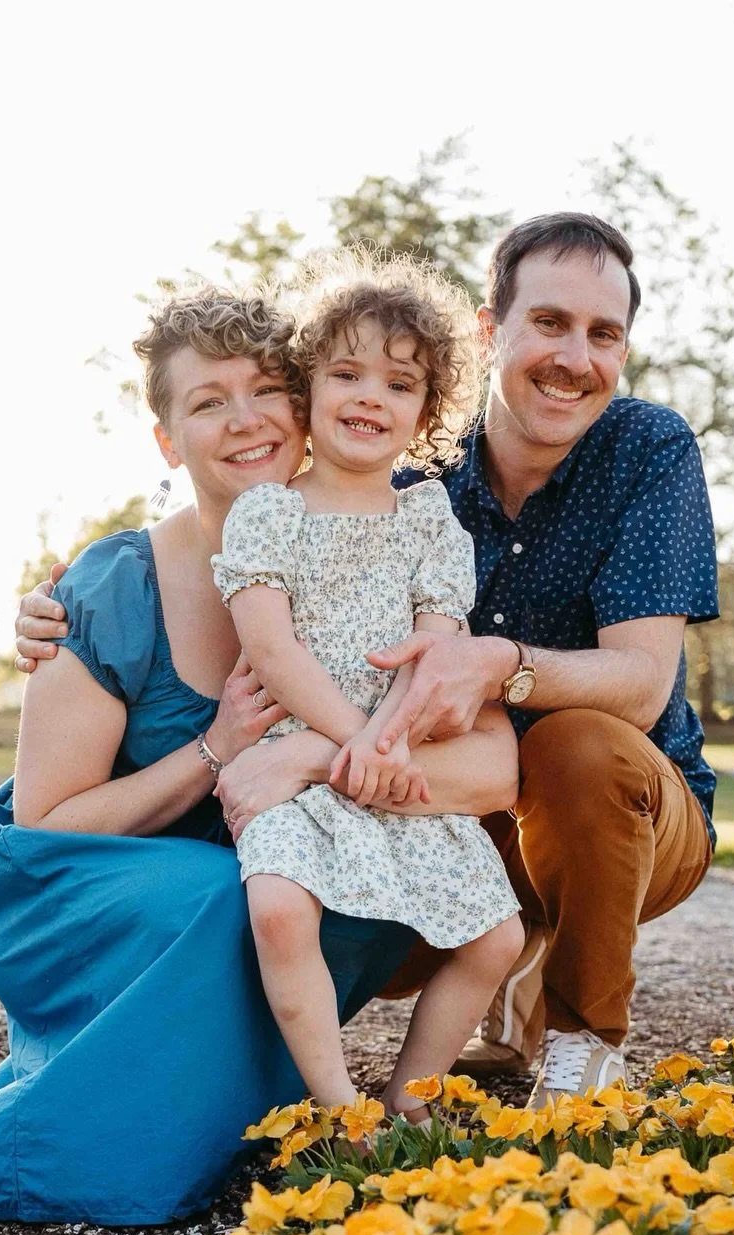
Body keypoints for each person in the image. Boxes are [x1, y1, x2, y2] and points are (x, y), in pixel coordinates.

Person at [0, 289, 518, 1224]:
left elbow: (493, 770)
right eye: (206, 402)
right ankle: (124, 1142)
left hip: (251, 864)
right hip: (85, 888)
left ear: (304, 400)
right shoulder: (108, 589)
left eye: (266, 389)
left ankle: (292, 1109)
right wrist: (218, 747)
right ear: (167, 441)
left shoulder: (371, 550)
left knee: (326, 880)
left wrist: (314, 754)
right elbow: (47, 826)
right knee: (233, 896)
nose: (244, 420)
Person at [17, 213, 720, 1109]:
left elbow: (643, 683)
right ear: (488, 328)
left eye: (603, 334)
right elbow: (228, 519)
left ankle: (581, 1036)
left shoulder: (643, 450)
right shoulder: (416, 462)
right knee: (347, 896)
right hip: (440, 784)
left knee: (575, 748)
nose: (574, 356)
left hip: (603, 809)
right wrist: (67, 608)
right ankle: (379, 1080)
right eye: (548, 322)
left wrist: (484, 668)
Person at [212, 257, 523, 1117]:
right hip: (308, 761)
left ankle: (406, 1100)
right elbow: (271, 650)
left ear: (426, 412)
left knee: (495, 937)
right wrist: (358, 742)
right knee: (279, 911)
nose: (368, 397)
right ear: (308, 386)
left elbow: (437, 646)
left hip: (396, 755)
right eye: (346, 373)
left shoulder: (428, 515)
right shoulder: (270, 510)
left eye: (398, 382)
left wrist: (383, 742)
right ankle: (337, 1102)